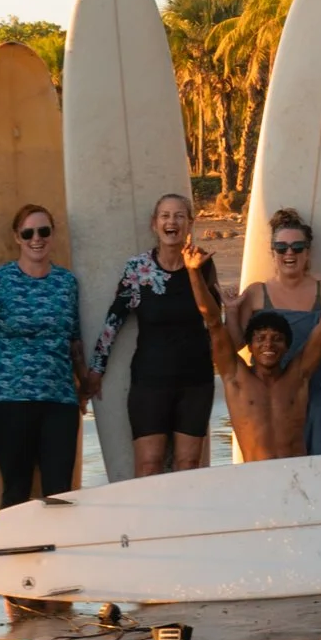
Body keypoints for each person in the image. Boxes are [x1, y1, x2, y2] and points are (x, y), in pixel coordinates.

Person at [0, 201, 98, 506]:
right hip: (9, 401)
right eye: (28, 232)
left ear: (52, 235)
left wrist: (84, 384)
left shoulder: (66, 283)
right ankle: (13, 552)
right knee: (16, 490)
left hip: (59, 401)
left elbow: (74, 339)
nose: (36, 238)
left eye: (43, 231)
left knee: (61, 494)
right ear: (17, 237)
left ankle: (60, 552)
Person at [189, 239, 321, 458]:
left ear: (287, 346)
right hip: (258, 478)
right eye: (261, 338)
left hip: (298, 474)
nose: (268, 344)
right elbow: (212, 322)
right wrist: (194, 272)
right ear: (250, 344)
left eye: (277, 339)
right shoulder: (236, 377)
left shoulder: (298, 377)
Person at [92, 193, 222, 476]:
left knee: (188, 466)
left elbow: (213, 319)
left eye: (178, 216)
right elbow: (114, 319)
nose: (171, 221)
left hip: (195, 381)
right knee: (149, 463)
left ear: (189, 224)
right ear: (155, 224)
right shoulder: (139, 269)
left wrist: (194, 272)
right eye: (165, 216)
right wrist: (95, 370)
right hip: (150, 380)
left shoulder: (203, 264)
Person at [232, 207, 321, 457]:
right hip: (274, 405)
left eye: (297, 247)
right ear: (272, 252)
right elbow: (235, 345)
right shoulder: (256, 294)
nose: (289, 253)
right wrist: (230, 312)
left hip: (320, 399)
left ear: (307, 253)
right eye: (281, 247)